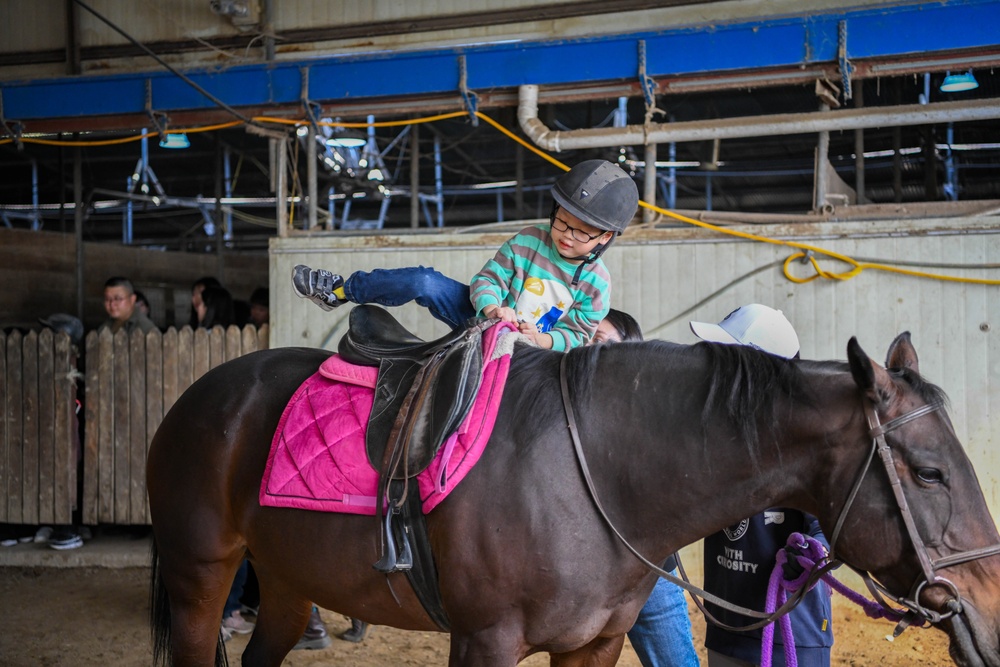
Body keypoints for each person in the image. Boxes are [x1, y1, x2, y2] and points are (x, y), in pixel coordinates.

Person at [293, 159, 639, 350]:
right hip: (483, 318)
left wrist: (542, 339)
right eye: (561, 222)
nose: (565, 236)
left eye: (580, 232)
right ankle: (339, 291)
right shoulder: (530, 240)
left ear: (605, 237)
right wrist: (492, 307)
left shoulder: (598, 285)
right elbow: (489, 279)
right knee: (423, 281)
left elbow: (577, 335)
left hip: (533, 352)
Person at [691, 304, 833, 667]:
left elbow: (828, 528)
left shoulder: (807, 441)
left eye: (728, 358)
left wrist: (812, 552)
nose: (715, 369)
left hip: (792, 634)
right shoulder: (715, 437)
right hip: (726, 628)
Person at [592, 310, 699, 667]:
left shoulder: (652, 415)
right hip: (584, 574)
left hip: (648, 570)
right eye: (587, 337)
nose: (591, 347)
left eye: (603, 341)